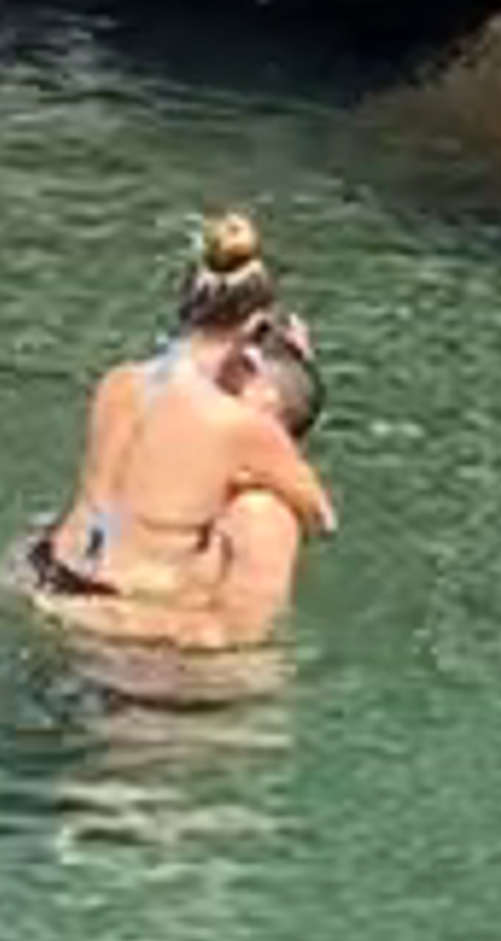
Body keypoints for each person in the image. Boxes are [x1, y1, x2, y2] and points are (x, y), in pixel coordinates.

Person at [25, 209, 336, 658]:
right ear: (253, 331)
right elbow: (322, 519)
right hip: (119, 614)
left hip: (47, 573)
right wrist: (297, 372)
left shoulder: (117, 381)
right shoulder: (237, 425)